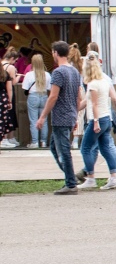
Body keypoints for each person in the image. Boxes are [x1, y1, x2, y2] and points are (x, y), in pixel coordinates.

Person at [36, 41, 84, 195]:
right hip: (70, 114)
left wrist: (42, 117)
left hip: (60, 116)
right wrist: (75, 116)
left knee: (63, 150)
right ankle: (71, 177)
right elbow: (78, 98)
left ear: (55, 53)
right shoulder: (75, 72)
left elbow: (53, 96)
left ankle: (70, 183)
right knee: (54, 147)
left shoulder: (58, 72)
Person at [77, 52, 116, 190]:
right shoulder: (105, 81)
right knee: (105, 148)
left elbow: (93, 105)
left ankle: (91, 178)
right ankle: (114, 177)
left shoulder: (92, 84)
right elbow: (88, 102)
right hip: (107, 119)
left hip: (96, 119)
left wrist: (96, 121)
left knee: (85, 148)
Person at [22, 54, 51, 148]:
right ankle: (43, 142)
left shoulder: (29, 75)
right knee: (44, 120)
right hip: (44, 96)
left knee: (33, 120)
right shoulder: (47, 74)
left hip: (33, 97)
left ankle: (35, 142)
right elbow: (49, 87)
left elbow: (25, 87)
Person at [1, 48, 19, 148]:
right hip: (7, 93)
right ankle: (6, 138)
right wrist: (19, 76)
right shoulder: (10, 67)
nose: (15, 62)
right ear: (12, 58)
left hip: (1, 92)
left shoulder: (1, 64)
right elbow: (13, 83)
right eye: (15, 60)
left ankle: (5, 138)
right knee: (8, 115)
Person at [68, 43, 85, 150]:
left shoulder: (67, 65)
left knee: (70, 113)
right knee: (80, 115)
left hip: (70, 89)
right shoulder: (82, 64)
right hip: (81, 89)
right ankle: (76, 140)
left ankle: (70, 139)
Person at [0, 59, 12, 154]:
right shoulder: (5, 74)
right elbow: (9, 90)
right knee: (1, 122)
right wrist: (10, 101)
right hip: (2, 99)